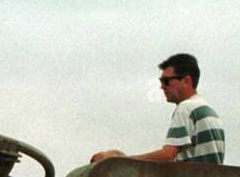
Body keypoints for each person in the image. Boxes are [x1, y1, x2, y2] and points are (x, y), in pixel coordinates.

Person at [91, 53, 225, 164]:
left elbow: (168, 155)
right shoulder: (210, 113)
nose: (162, 87)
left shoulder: (186, 108)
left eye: (166, 81)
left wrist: (120, 161)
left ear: (186, 81)